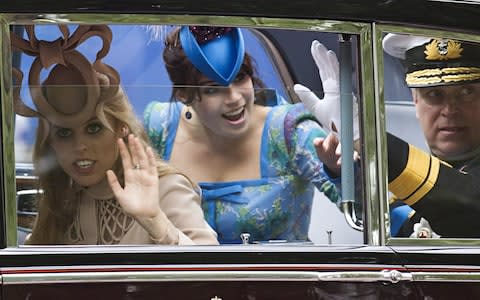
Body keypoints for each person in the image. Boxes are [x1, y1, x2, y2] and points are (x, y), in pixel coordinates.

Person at [11, 24, 218, 245]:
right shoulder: (62, 201)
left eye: (93, 128)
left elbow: (217, 274)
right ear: (50, 142)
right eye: (64, 132)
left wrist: (157, 223)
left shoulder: (166, 188)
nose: (79, 145)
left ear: (122, 129)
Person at [144, 26, 342, 244]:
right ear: (183, 95)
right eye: (213, 88)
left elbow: (364, 212)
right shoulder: (159, 127)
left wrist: (342, 167)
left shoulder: (289, 130)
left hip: (279, 276)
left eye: (239, 78)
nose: (234, 98)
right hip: (179, 277)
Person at [295, 33, 480, 238]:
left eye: (466, 93)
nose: (449, 110)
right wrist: (347, 173)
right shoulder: (406, 181)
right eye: (434, 94)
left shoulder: (421, 178)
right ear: (415, 101)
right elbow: (393, 219)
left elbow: (467, 204)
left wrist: (359, 133)